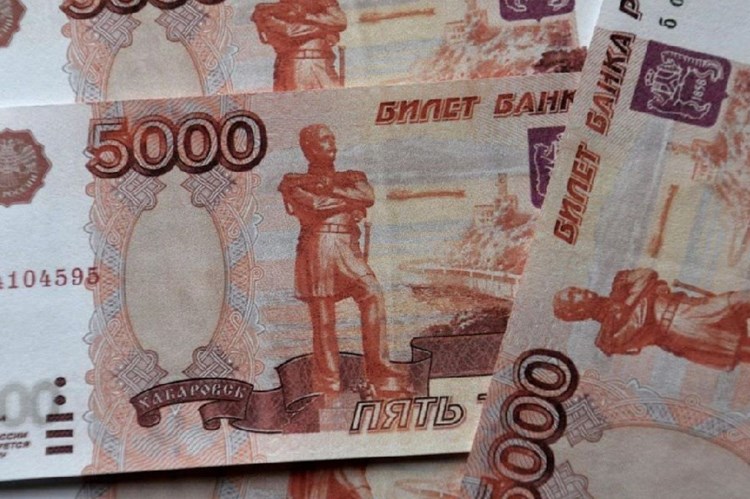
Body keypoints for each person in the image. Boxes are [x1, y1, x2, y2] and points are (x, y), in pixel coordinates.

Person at [279, 124, 405, 396]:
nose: (332, 145)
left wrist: (330, 188)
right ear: (309, 148)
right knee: (323, 319)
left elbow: (368, 196)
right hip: (318, 246)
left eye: (333, 139)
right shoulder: (293, 181)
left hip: (348, 245)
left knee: (372, 294)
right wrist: (349, 201)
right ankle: (328, 386)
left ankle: (380, 372)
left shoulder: (352, 176)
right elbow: (315, 206)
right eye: (325, 140)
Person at [552, 268, 750, 371]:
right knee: (742, 347)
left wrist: (630, 303)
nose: (579, 291)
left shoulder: (619, 283)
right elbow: (640, 325)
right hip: (681, 331)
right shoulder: (608, 338)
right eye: (573, 296)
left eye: (575, 289)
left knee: (741, 299)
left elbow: (647, 274)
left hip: (689, 305)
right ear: (576, 313)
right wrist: (646, 294)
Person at [251, 0, 347, 92]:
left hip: (322, 63)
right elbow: (290, 31)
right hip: (300, 63)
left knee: (333, 98)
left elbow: (340, 21)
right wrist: (325, 30)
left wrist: (306, 15)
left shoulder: (319, 5)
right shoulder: (268, 11)